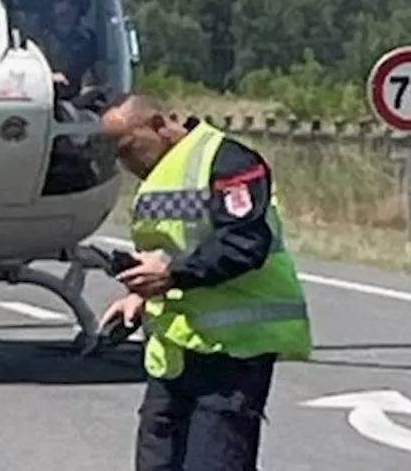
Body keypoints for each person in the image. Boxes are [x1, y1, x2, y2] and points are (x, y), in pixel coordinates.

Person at [96, 94, 312, 471]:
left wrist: (173, 276)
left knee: (214, 462)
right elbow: (168, 247)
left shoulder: (228, 160)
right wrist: (138, 294)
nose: (123, 161)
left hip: (234, 351)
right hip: (174, 353)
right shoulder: (160, 175)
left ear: (159, 125)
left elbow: (245, 242)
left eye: (127, 148)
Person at [36, 0, 100, 100]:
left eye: (73, 3)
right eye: (60, 0)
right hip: (43, 98)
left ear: (81, 8)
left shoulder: (88, 40)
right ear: (52, 5)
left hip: (78, 104)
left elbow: (95, 72)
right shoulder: (37, 37)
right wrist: (48, 77)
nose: (65, 7)